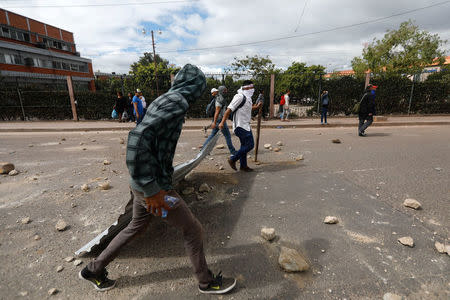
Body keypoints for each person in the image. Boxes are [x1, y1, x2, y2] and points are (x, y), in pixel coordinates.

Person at [79, 64, 236, 294]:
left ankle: (93, 269)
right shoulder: (177, 102)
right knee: (193, 230)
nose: (199, 95)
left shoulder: (166, 98)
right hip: (152, 186)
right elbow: (137, 139)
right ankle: (206, 282)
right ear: (193, 87)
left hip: (143, 184)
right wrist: (152, 190)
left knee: (136, 226)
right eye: (199, 89)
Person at [219, 80, 262, 172]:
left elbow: (248, 108)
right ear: (246, 88)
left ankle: (243, 166)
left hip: (246, 125)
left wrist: (257, 107)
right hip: (239, 126)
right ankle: (233, 159)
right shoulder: (239, 96)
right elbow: (228, 110)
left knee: (244, 145)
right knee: (250, 145)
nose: (253, 89)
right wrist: (222, 122)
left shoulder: (248, 98)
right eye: (251, 87)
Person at [202, 86, 236, 155]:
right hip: (219, 120)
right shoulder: (219, 99)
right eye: (225, 90)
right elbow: (217, 111)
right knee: (227, 136)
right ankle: (232, 151)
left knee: (212, 135)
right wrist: (214, 123)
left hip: (218, 120)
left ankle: (203, 150)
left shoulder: (220, 98)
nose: (226, 91)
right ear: (221, 91)